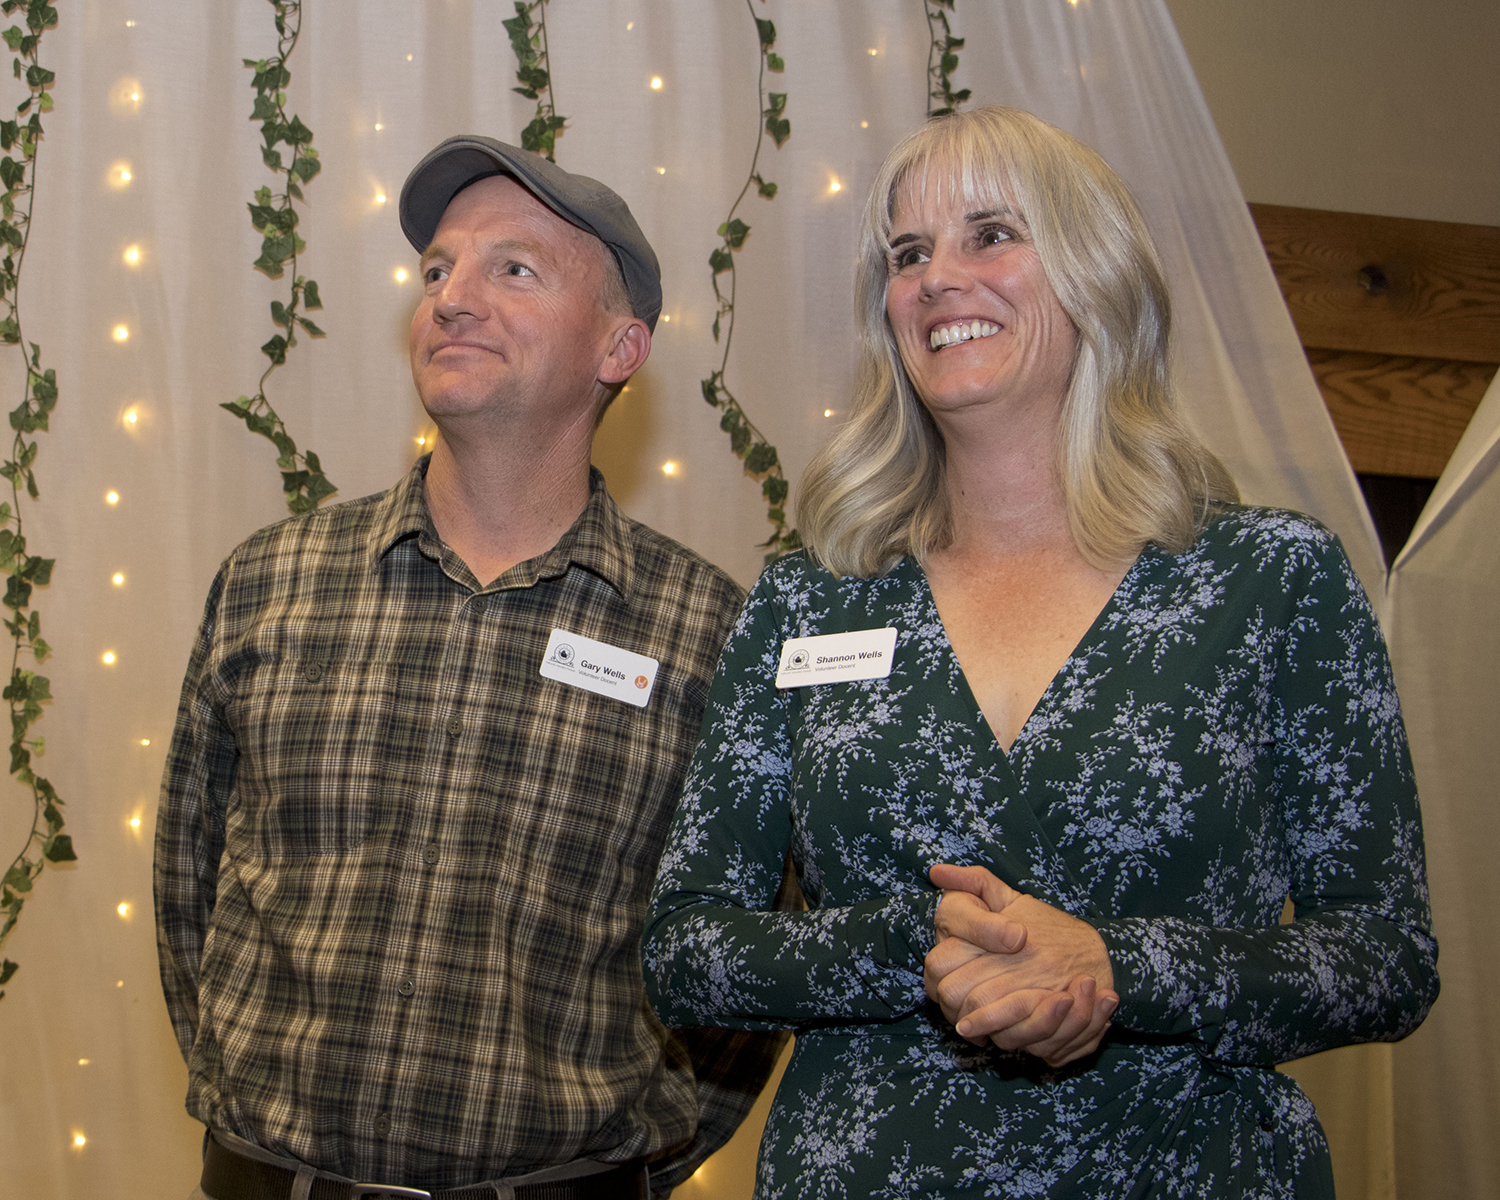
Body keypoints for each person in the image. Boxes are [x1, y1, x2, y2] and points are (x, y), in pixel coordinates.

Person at [643, 107, 1438, 1198]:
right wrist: (912, 945)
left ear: (1092, 272)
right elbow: (685, 951)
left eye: (991, 235)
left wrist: (1119, 968)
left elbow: (1386, 957)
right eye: (908, 254)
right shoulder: (809, 600)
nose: (937, 278)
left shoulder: (1269, 581)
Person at [154, 136, 780, 1200]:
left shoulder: (708, 636)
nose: (451, 298)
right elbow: (187, 890)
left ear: (619, 347)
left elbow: (738, 961)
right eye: (437, 269)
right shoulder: (270, 581)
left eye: (513, 268)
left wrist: (621, 1169)